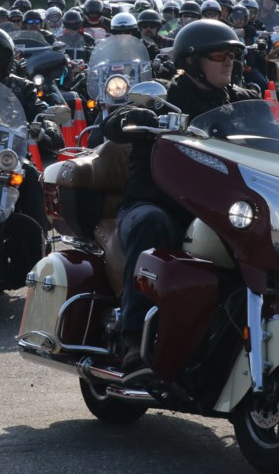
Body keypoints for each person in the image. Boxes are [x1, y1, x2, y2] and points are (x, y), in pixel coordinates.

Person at [101, 20, 259, 371]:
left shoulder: (242, 102)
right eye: (219, 54)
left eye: (233, 53)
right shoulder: (164, 98)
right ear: (191, 62)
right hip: (158, 206)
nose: (229, 61)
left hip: (222, 210)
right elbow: (112, 124)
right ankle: (131, 339)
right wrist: (132, 114)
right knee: (152, 224)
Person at [0, 28, 59, 229]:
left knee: (31, 176)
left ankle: (38, 238)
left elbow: (40, 110)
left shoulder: (23, 87)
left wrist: (46, 125)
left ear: (7, 59)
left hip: (9, 155)